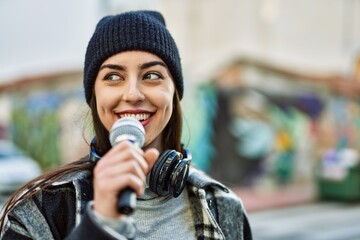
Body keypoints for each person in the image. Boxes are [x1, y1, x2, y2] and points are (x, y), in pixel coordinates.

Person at [0, 10, 252, 240]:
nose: (132, 94)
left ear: (173, 93)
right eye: (113, 76)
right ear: (94, 96)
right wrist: (100, 226)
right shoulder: (38, 212)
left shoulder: (224, 207)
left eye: (152, 75)